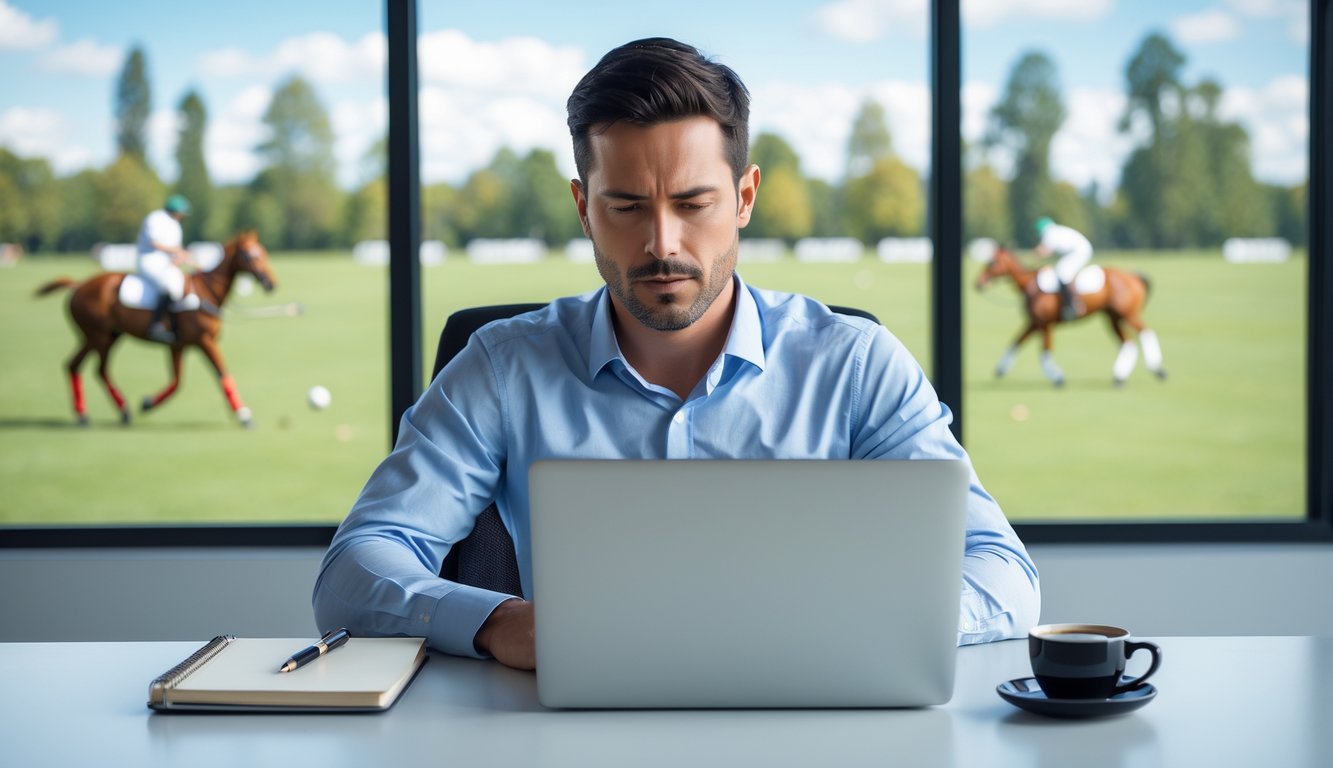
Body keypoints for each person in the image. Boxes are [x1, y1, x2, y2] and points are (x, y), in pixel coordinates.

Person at [313, 37, 1040, 671]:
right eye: (625, 207)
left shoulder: (856, 366)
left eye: (693, 204)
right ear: (582, 207)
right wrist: (499, 623)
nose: (661, 243)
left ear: (744, 196)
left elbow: (1001, 572)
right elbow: (355, 567)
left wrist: (849, 629)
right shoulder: (501, 369)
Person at [135, 194, 193, 343]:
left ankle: (175, 325)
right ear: (175, 211)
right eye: (181, 213)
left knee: (181, 286)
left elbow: (176, 248)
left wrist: (180, 258)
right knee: (167, 286)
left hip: (166, 262)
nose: (182, 217)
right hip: (150, 259)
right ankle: (156, 325)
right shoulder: (155, 218)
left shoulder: (175, 225)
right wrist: (177, 252)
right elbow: (156, 244)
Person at [1032, 216, 1093, 321]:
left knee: (1062, 274)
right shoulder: (1055, 231)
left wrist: (1034, 253)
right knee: (1060, 271)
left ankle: (1073, 305)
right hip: (1077, 250)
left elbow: (1045, 252)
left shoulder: (1049, 234)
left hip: (1079, 251)